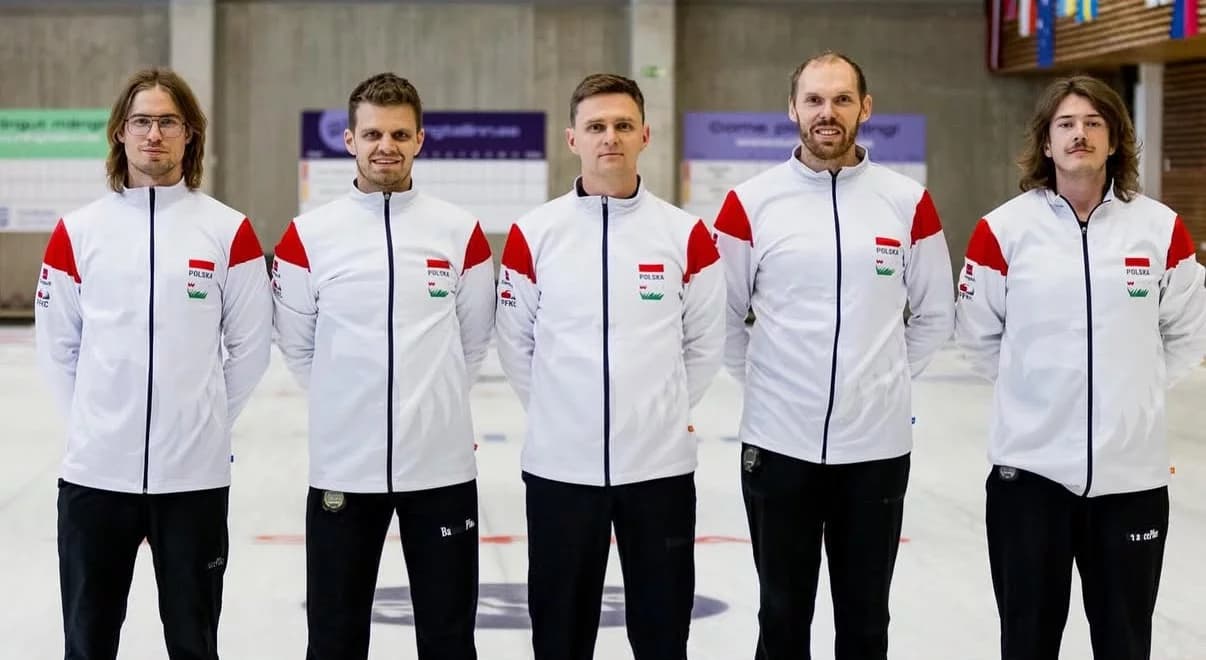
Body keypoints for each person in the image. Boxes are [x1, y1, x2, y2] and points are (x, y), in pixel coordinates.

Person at [711, 51, 955, 660]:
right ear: (793, 108)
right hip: (778, 447)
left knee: (867, 622)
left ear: (865, 109)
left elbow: (934, 313)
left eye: (842, 99)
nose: (828, 113)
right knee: (782, 617)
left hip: (875, 450)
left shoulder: (907, 202)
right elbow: (719, 317)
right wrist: (769, 384)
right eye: (815, 100)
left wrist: (882, 379)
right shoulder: (750, 203)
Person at [954, 74, 1206, 660]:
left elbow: (1187, 334)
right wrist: (1041, 397)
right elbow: (978, 337)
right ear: (1046, 143)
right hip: (1029, 480)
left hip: (1130, 481)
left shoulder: (1161, 229)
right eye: (1065, 124)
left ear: (1115, 139)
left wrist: (1129, 392)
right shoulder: (1004, 229)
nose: (1079, 135)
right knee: (1027, 642)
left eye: (1094, 123)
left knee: (1125, 644)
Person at [33, 67, 272, 660]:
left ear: (190, 134)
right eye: (141, 121)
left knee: (195, 643)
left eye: (168, 122)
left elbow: (251, 347)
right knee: (87, 643)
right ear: (120, 132)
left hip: (192, 482)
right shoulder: (78, 231)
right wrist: (96, 426)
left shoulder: (227, 230)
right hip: (95, 479)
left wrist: (204, 420)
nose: (154, 135)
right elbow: (58, 346)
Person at [494, 72, 724, 660]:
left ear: (645, 134)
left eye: (623, 125)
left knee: (663, 633)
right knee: (561, 635)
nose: (610, 138)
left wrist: (662, 414)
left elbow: (702, 344)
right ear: (572, 138)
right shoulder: (534, 234)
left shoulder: (684, 234)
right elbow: (516, 345)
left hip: (659, 472)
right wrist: (560, 416)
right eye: (596, 126)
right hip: (560, 473)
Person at [271, 72, 494, 660]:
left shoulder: (460, 232)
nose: (385, 146)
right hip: (346, 468)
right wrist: (348, 409)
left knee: (449, 636)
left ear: (421, 139)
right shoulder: (309, 237)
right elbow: (298, 347)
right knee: (336, 636)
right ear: (348, 140)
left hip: (440, 468)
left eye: (399, 133)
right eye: (372, 133)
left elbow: (472, 341)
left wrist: (432, 405)